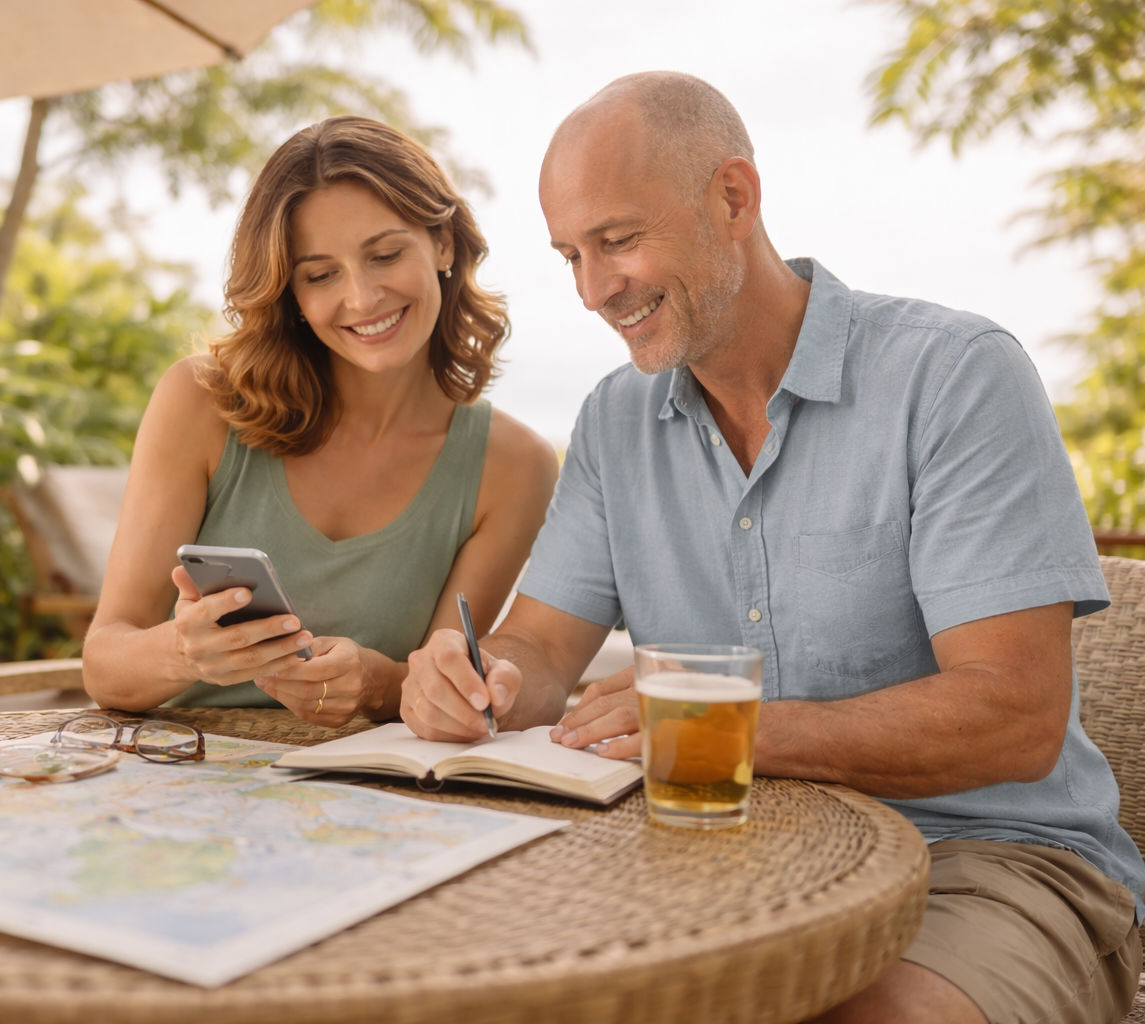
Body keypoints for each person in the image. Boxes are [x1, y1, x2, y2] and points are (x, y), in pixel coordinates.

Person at [402, 73, 1145, 1024]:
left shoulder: (954, 378)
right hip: (715, 853)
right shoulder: (613, 422)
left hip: (984, 863)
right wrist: (475, 675)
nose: (594, 290)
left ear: (734, 197)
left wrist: (723, 734)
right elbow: (541, 651)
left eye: (620, 241)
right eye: (571, 257)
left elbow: (1014, 715)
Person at [83, 116, 557, 728]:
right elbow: (103, 663)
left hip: (370, 795)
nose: (361, 298)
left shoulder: (513, 467)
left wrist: (375, 684)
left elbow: (444, 694)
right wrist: (183, 650)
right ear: (291, 294)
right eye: (321, 274)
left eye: (385, 254)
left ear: (443, 243)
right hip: (177, 772)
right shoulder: (200, 401)